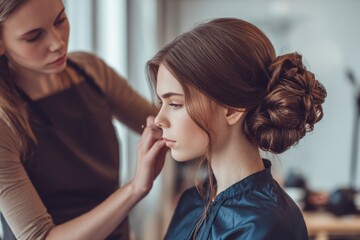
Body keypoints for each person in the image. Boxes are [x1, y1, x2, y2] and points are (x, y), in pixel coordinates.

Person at [0, 0, 167, 239]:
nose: (58, 43)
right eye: (34, 37)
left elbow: (163, 124)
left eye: (60, 20)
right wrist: (135, 189)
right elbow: (39, 236)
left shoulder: (91, 72)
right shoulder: (4, 122)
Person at [147, 17, 327, 239]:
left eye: (175, 104)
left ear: (232, 110)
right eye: (161, 103)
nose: (158, 119)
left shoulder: (265, 225)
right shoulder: (192, 201)